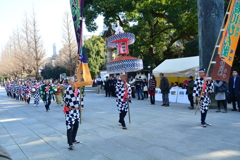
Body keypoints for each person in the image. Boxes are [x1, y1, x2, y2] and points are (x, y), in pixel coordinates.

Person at [63, 76, 82, 150]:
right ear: (68, 81)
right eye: (72, 79)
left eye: (74, 79)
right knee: (69, 127)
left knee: (76, 126)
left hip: (76, 111)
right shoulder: (68, 89)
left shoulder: (78, 90)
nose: (74, 80)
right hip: (69, 111)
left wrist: (81, 106)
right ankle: (70, 143)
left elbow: (81, 99)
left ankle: (73, 139)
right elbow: (73, 87)